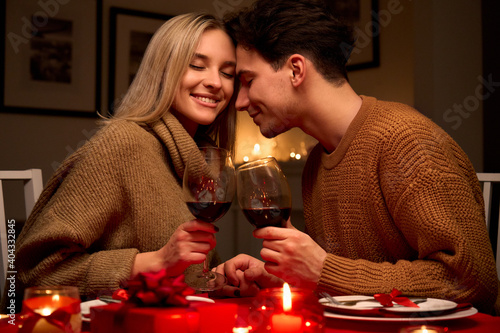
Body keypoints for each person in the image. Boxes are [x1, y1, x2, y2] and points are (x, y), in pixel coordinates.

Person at [215, 0, 499, 314]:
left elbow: (473, 280)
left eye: (248, 81)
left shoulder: (404, 140)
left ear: (296, 70)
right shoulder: (316, 163)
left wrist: (323, 270)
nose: (239, 101)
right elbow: (350, 278)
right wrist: (283, 275)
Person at [2, 12, 237, 311]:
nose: (216, 82)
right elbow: (32, 273)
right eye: (196, 65)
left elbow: (174, 280)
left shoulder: (200, 158)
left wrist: (219, 277)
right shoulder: (123, 144)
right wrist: (154, 262)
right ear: (163, 71)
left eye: (228, 73)